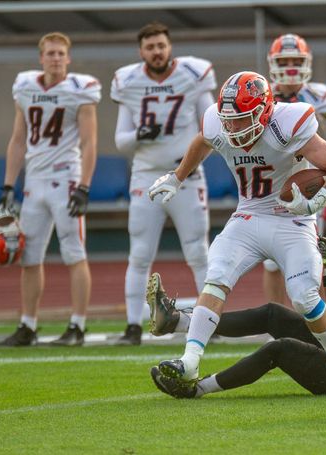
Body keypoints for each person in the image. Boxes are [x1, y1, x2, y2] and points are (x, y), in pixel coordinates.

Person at [148, 71, 326, 396]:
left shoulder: (288, 124)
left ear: (264, 110)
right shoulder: (219, 123)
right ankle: (190, 359)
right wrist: (177, 177)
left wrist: (318, 200)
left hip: (292, 220)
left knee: (304, 297)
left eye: (241, 119)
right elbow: (202, 141)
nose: (233, 128)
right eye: (228, 120)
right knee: (216, 276)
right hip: (249, 213)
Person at [148, 222, 326, 398]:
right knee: (274, 313)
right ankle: (176, 322)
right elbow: (325, 258)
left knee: (280, 349)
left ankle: (197, 389)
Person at [111, 22, 217, 345]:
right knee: (140, 253)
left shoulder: (193, 74)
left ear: (170, 46)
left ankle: (210, 320)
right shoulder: (128, 80)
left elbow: (211, 129)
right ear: (140, 51)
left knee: (198, 252)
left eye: (161, 45)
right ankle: (132, 326)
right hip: (146, 175)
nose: (156, 51)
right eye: (150, 47)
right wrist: (139, 135)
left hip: (184, 175)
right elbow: (120, 141)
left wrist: (189, 167)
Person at [0, 32, 100, 347]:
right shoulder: (26, 86)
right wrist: (8, 185)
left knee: (74, 252)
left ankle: (78, 325)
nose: (55, 58)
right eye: (50, 53)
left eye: (60, 54)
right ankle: (28, 324)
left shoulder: (79, 89)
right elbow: (18, 139)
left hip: (66, 180)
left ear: (68, 59)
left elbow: (89, 141)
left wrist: (83, 186)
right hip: (35, 182)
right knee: (29, 257)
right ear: (41, 57)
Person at [262, 33, 326, 306]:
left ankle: (311, 319)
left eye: (297, 60)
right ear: (273, 63)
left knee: (310, 253)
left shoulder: (321, 96)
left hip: (309, 180)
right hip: (273, 180)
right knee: (272, 261)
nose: (291, 66)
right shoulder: (263, 94)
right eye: (285, 60)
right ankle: (277, 322)